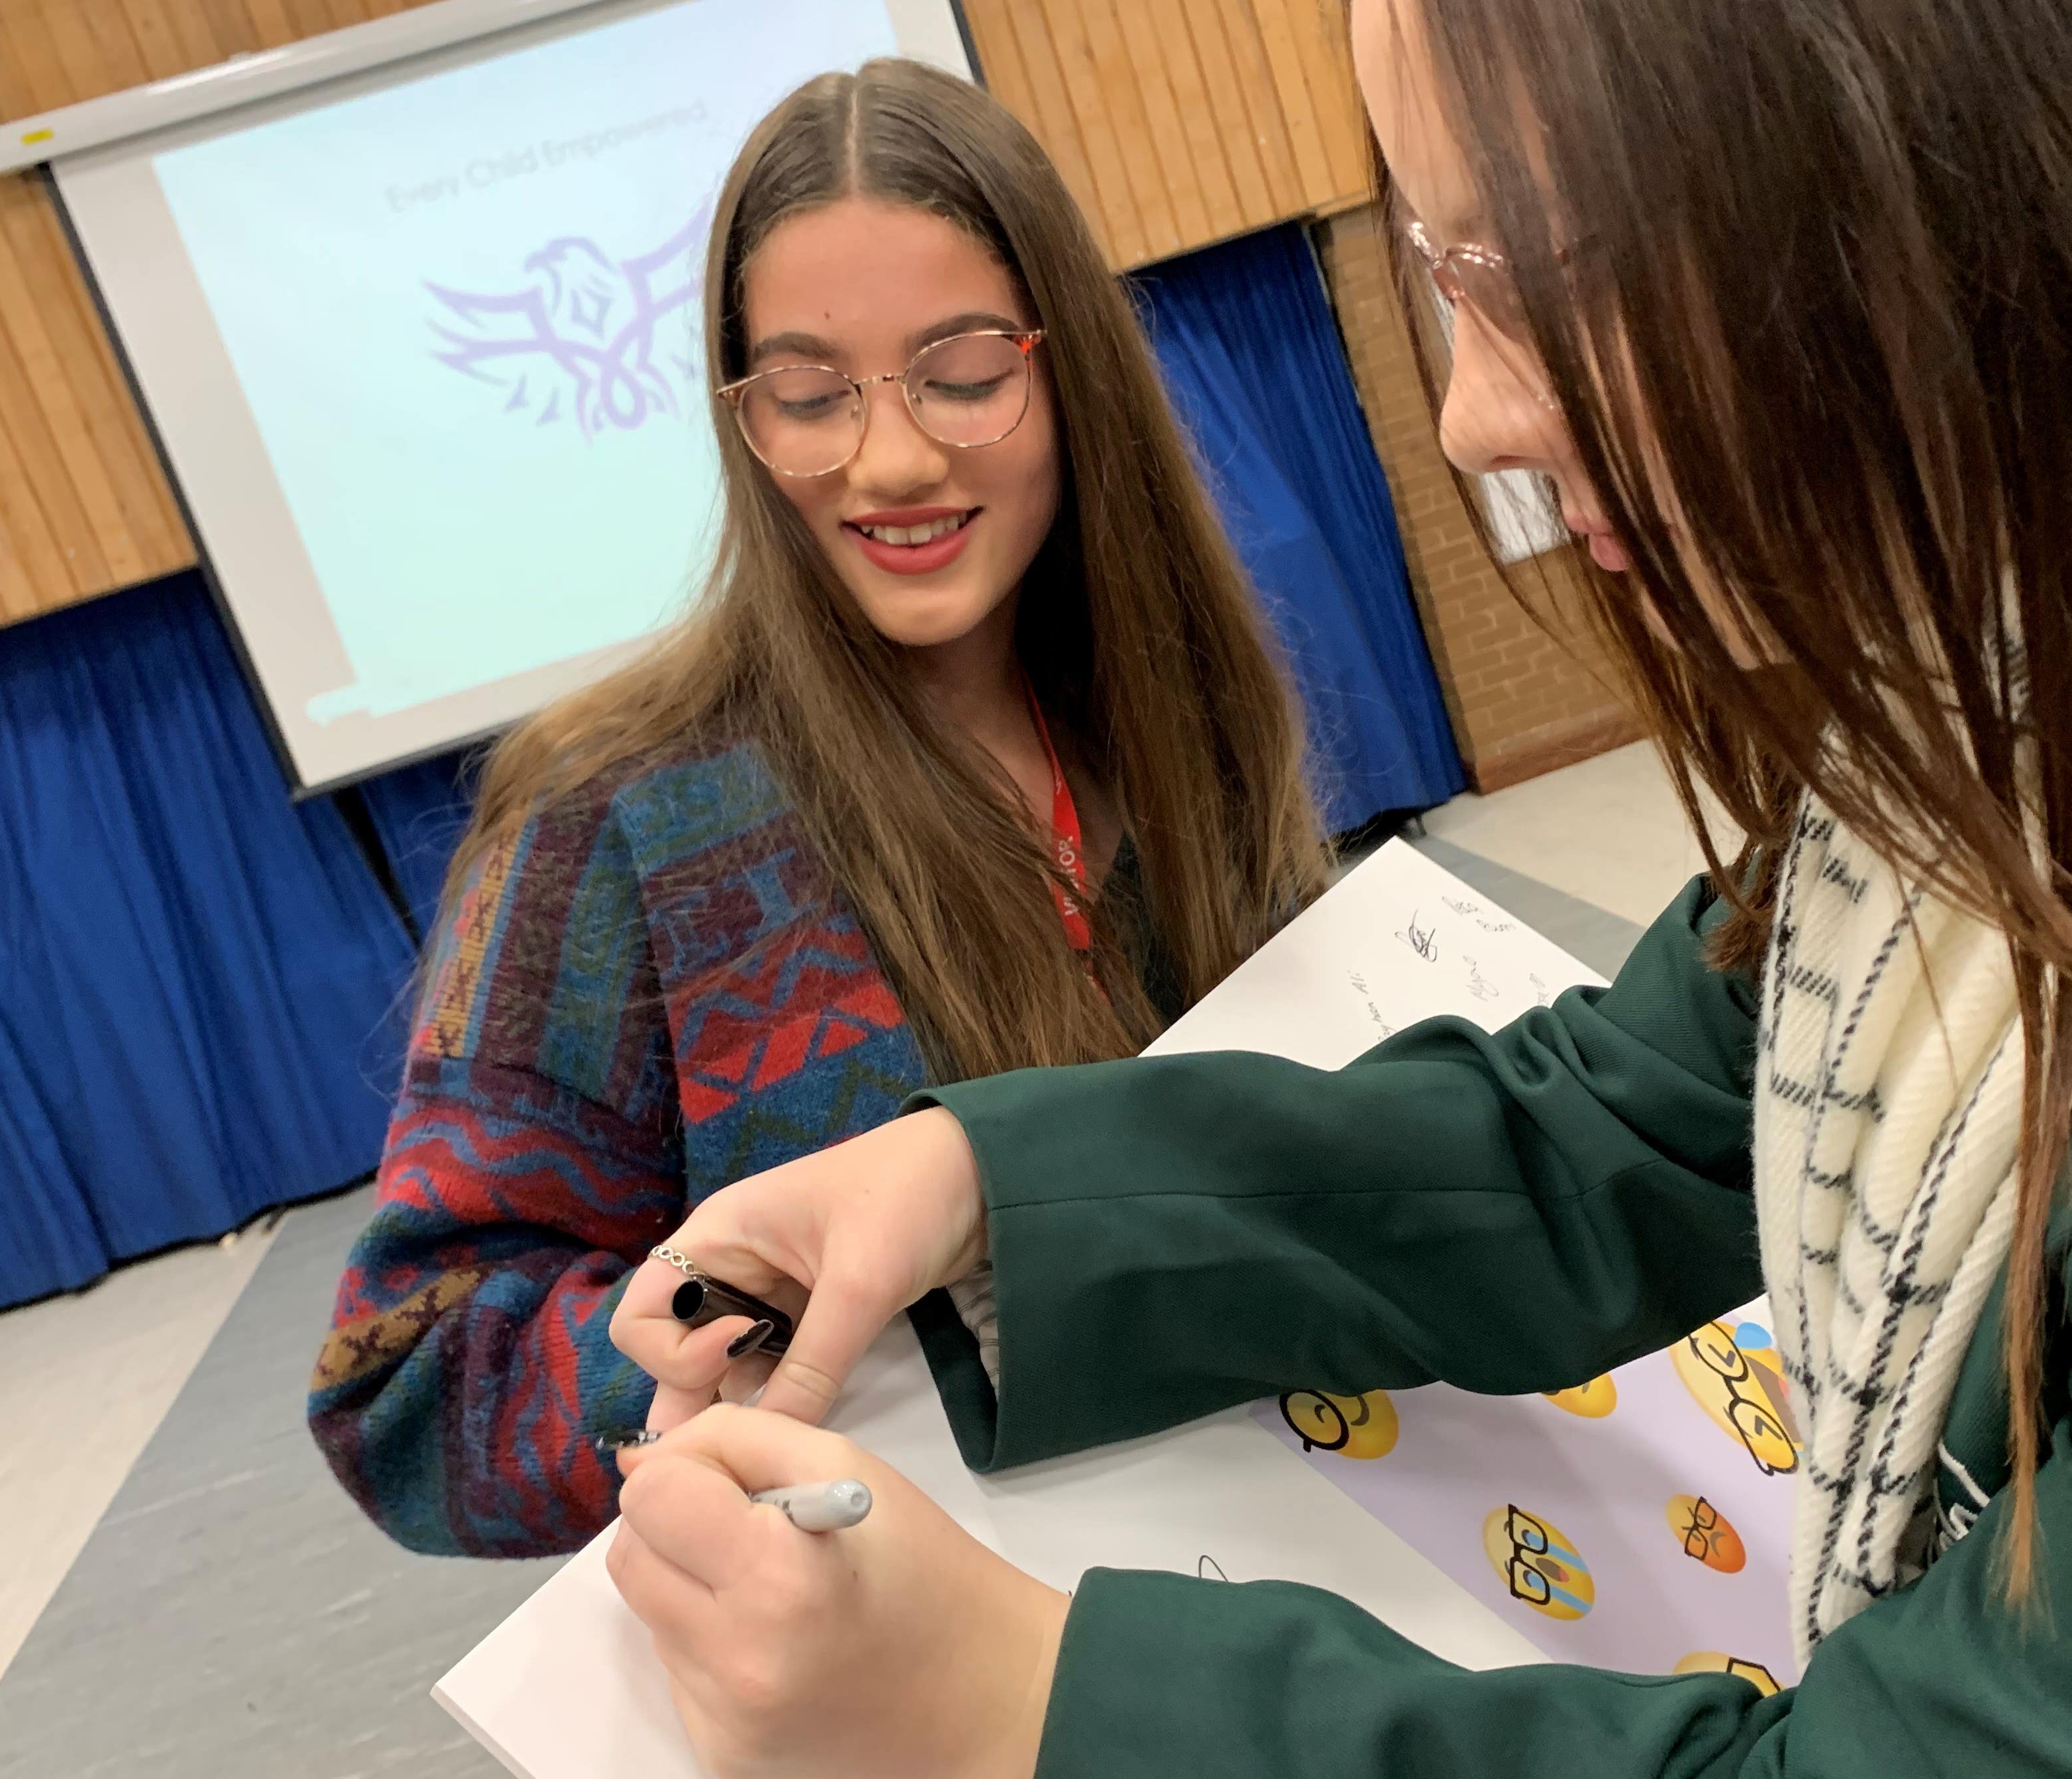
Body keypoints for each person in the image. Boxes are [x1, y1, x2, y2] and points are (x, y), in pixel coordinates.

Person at [598, 1, 2072, 1774]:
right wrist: (984, 1187)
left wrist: (1026, 1704)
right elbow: (1616, 1123)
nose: (1476, 417)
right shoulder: (2010, 716)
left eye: (1541, 279)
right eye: (1446, 280)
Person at [306, 60, 1328, 1557]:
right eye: (805, 395)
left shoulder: (1182, 719)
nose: (892, 459)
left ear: (1075, 369)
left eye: (965, 371)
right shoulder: (614, 817)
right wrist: (735, 1321)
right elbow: (407, 1390)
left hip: (1297, 1558)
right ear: (742, 417)